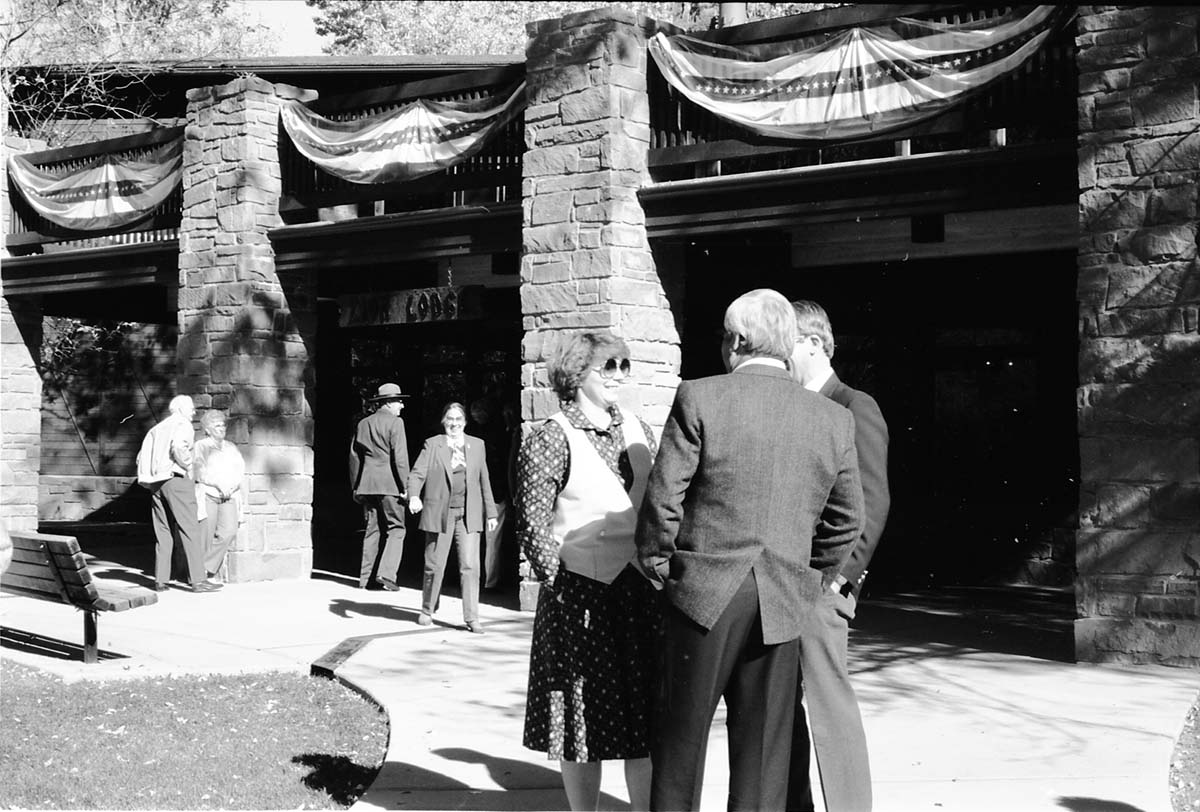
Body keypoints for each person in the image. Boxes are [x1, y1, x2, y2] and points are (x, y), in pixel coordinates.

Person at [635, 289, 864, 812]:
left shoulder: (699, 395)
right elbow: (848, 519)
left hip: (701, 593)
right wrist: (810, 576)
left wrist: (661, 567)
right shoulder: (831, 418)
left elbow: (664, 498)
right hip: (782, 597)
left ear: (737, 340)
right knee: (764, 758)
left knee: (679, 748)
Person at [515, 330, 660, 812]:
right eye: (610, 366)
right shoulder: (551, 437)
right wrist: (562, 585)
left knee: (645, 721)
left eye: (625, 364)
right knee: (582, 723)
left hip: (639, 593)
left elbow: (661, 505)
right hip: (580, 595)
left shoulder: (639, 427)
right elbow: (532, 524)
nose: (620, 375)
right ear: (578, 375)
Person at [786, 300, 891, 812]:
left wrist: (841, 577)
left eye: (785, 344)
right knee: (780, 709)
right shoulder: (787, 405)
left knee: (830, 710)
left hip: (824, 587)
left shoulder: (854, 406)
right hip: (780, 583)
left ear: (812, 343)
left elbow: (873, 502)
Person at [408, 401, 498, 632]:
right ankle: (427, 608)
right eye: (450, 420)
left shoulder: (477, 445)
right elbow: (417, 473)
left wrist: (491, 512)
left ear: (465, 422)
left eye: (458, 420)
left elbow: (484, 480)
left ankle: (472, 617)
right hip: (440, 514)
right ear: (443, 422)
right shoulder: (433, 445)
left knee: (470, 566)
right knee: (434, 564)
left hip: (468, 514)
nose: (454, 424)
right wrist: (414, 496)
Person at [136, 395, 220, 593]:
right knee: (190, 528)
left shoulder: (156, 428)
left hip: (156, 483)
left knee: (163, 532)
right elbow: (179, 447)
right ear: (182, 409)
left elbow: (141, 457)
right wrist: (188, 465)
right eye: (191, 409)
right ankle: (198, 580)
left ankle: (161, 580)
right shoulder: (183, 425)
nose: (194, 413)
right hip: (176, 479)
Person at [348, 383, 410, 590]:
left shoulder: (363, 423)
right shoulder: (396, 423)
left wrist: (356, 486)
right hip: (390, 484)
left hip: (367, 483)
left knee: (372, 529)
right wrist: (406, 486)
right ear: (388, 403)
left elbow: (354, 457)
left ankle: (365, 579)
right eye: (398, 401)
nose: (401, 405)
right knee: (397, 528)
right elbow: (400, 458)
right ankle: (387, 574)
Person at [193, 409, 245, 584]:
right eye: (217, 425)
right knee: (205, 536)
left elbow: (240, 469)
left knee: (229, 531)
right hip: (209, 494)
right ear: (207, 429)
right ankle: (199, 576)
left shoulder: (231, 447)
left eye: (223, 425)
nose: (221, 428)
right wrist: (217, 483)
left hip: (228, 495)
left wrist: (233, 485)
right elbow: (198, 471)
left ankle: (206, 567)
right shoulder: (201, 446)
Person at [469, 398, 510, 589]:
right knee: (493, 540)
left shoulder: (469, 437)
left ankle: (471, 578)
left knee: (471, 537)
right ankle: (490, 582)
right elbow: (503, 464)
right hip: (496, 491)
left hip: (475, 492)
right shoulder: (501, 435)